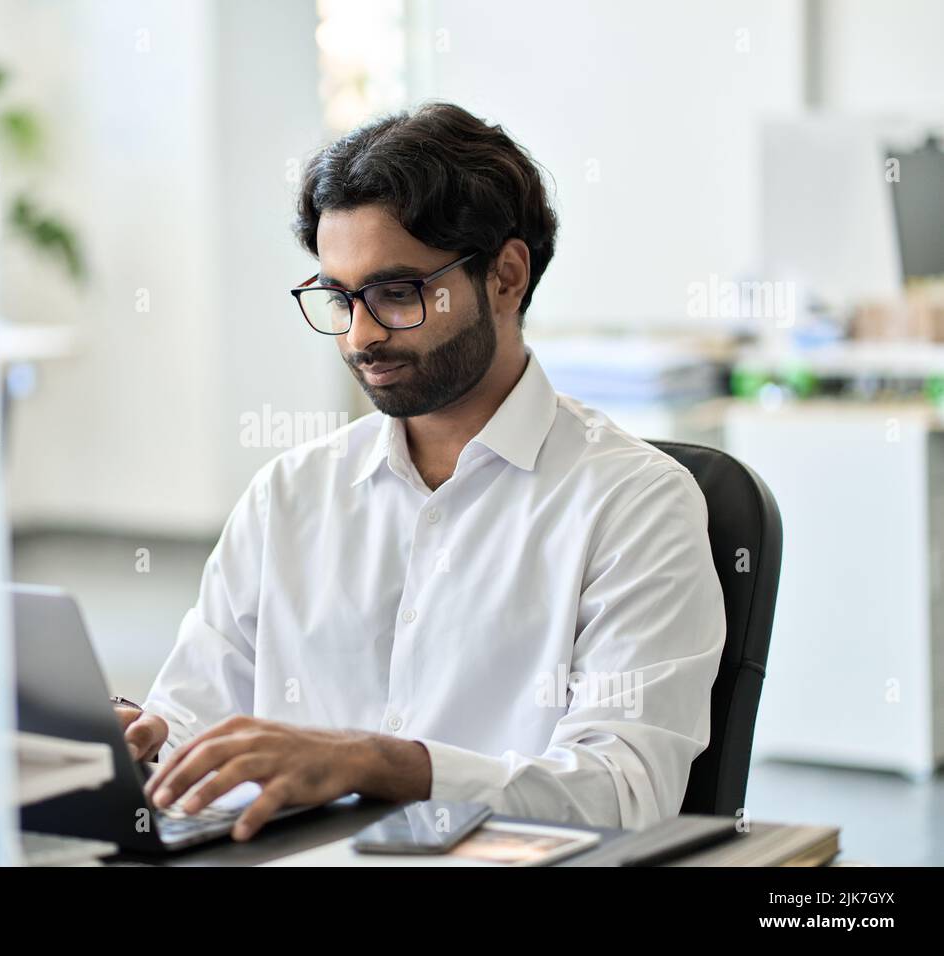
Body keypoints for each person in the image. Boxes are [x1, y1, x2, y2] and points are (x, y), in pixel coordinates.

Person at [118, 102, 725, 841]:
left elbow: (626, 792)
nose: (361, 335)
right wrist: (144, 744)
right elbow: (192, 725)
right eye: (338, 298)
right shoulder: (290, 494)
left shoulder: (634, 503)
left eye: (397, 295)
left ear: (505, 276)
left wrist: (381, 763)